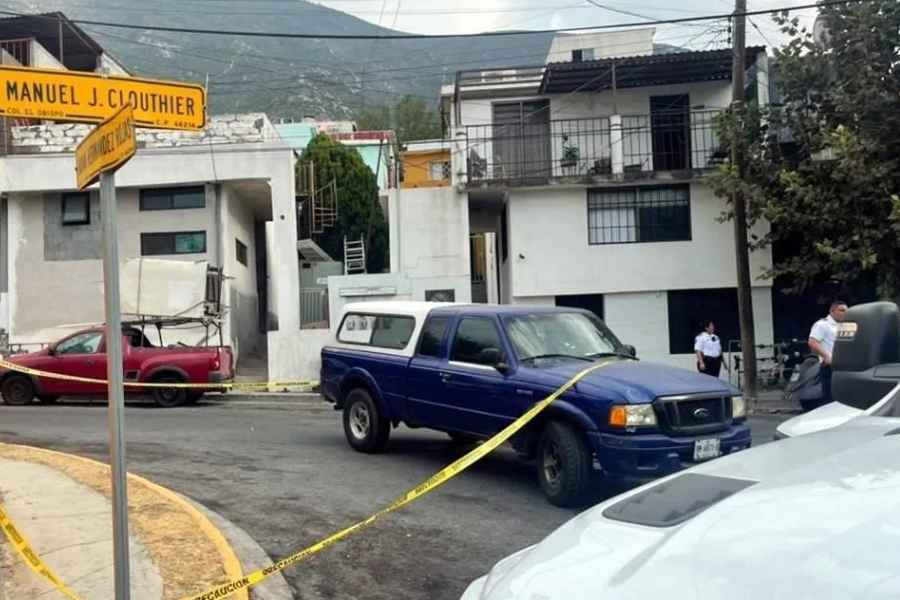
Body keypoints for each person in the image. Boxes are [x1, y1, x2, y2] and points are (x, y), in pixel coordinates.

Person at [808, 300, 849, 405]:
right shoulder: (822, 324)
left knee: (844, 398)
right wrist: (826, 356)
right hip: (830, 366)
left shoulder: (844, 325)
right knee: (831, 399)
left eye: (846, 311)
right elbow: (813, 341)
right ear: (832, 311)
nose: (845, 313)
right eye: (841, 310)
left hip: (845, 366)